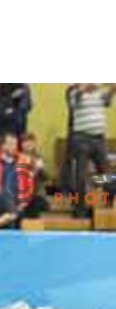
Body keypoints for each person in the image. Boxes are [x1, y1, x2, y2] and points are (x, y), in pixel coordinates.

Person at [66, 83, 116, 216]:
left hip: (99, 138)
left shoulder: (98, 92)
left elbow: (106, 101)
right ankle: (80, 210)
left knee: (106, 174)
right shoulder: (73, 92)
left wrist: (112, 89)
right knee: (81, 176)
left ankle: (109, 201)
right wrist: (85, 87)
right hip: (81, 138)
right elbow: (74, 101)